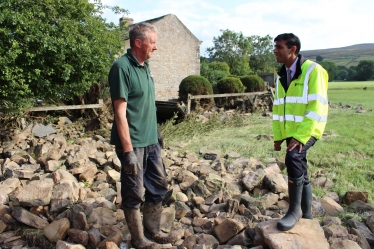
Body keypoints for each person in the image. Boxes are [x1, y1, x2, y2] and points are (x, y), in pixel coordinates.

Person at [108, 22, 184, 249]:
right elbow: (120, 113)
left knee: (158, 186)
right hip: (133, 144)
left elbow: (146, 105)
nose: (156, 47)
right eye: (153, 42)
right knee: (134, 192)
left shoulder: (145, 67)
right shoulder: (122, 68)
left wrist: (156, 131)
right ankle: (139, 240)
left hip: (151, 141)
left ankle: (153, 231)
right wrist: (128, 151)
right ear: (138, 43)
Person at [272, 33, 329, 231]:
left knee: (293, 158)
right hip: (291, 130)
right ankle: (307, 214)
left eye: (279, 47)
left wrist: (301, 137)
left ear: (292, 49)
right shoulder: (281, 76)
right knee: (299, 166)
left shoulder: (314, 71)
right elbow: (279, 109)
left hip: (310, 128)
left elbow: (316, 106)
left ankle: (294, 210)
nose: (275, 51)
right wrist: (279, 137)